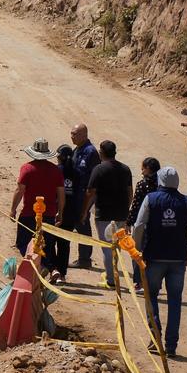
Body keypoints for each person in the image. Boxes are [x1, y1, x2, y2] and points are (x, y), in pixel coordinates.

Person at [132, 166, 187, 358]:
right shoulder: (186, 202)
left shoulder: (151, 199)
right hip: (178, 259)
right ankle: (171, 345)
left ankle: (155, 339)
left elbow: (138, 226)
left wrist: (138, 249)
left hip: (154, 257)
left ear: (160, 181)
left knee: (151, 296)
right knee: (175, 301)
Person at [81, 140, 133, 289]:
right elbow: (130, 192)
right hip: (121, 214)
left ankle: (111, 279)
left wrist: (84, 211)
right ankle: (112, 273)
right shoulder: (126, 169)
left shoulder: (98, 169)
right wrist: (127, 210)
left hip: (103, 214)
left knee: (106, 247)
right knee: (116, 247)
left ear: (101, 152)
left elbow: (90, 192)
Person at [10, 139, 66, 269]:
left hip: (29, 213)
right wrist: (60, 212)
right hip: (49, 214)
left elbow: (19, 190)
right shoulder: (55, 170)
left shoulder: (27, 168)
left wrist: (13, 209)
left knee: (22, 242)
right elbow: (61, 194)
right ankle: (44, 268)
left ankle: (37, 268)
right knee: (45, 245)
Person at [125, 156, 161, 289]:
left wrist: (128, 222)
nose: (141, 171)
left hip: (143, 225)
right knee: (154, 253)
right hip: (159, 225)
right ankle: (153, 282)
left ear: (148, 169)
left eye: (143, 168)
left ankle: (139, 282)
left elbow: (135, 206)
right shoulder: (162, 185)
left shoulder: (142, 185)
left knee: (137, 252)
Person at [69, 123, 99, 268]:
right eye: (71, 133)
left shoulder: (90, 152)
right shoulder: (77, 150)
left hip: (84, 196)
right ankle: (83, 258)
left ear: (84, 135)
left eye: (75, 134)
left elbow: (93, 179)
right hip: (75, 195)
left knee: (83, 224)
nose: (72, 136)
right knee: (78, 224)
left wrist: (88, 201)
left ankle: (85, 259)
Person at [49, 144, 79, 281]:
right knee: (64, 244)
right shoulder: (77, 173)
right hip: (71, 212)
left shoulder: (55, 171)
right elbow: (80, 194)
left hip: (55, 211)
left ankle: (53, 269)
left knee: (50, 242)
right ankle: (62, 273)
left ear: (59, 156)